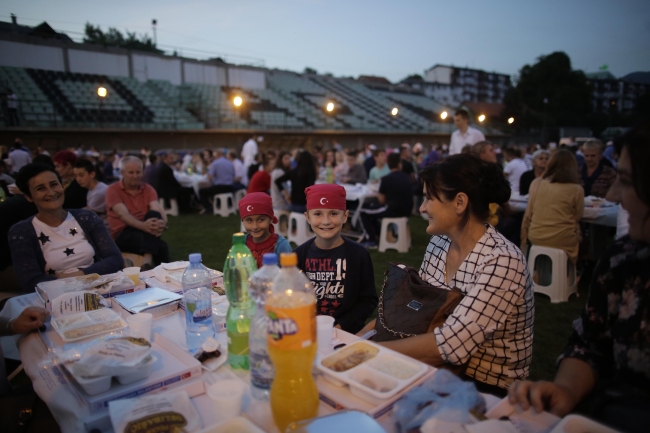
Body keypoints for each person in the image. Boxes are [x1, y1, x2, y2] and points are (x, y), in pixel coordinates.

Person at [509, 126, 650, 433]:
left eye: (625, 182)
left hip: (536, 238)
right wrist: (568, 390)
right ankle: (575, 275)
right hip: (605, 413)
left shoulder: (537, 183)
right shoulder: (622, 259)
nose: (614, 195)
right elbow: (589, 343)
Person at [358, 153, 534, 396]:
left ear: (460, 203)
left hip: (485, 388)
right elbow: (418, 311)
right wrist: (358, 339)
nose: (421, 207)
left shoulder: (502, 260)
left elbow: (452, 345)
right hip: (440, 369)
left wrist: (368, 351)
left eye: (429, 198)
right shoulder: (440, 242)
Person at [8, 163, 123, 290]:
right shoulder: (21, 232)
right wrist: (66, 283)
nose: (51, 192)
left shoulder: (87, 218)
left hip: (98, 289)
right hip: (55, 297)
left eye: (54, 184)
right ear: (29, 197)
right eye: (41, 188)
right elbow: (30, 280)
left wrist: (78, 275)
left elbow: (115, 259)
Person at [294, 184, 378, 334]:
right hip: (305, 330)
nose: (326, 221)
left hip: (344, 332)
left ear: (345, 216)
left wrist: (340, 327)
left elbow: (367, 301)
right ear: (307, 217)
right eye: (318, 214)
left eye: (333, 213)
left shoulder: (359, 255)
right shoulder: (297, 256)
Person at [520, 149, 584, 263]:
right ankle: (573, 273)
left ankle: (541, 273)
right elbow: (577, 216)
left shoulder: (536, 183)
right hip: (563, 238)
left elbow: (528, 212)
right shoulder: (577, 189)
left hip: (535, 235)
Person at [105, 156, 169, 268]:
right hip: (123, 234)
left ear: (142, 172)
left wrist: (162, 223)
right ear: (122, 173)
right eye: (131, 172)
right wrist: (144, 226)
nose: (135, 176)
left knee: (154, 216)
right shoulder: (113, 190)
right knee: (160, 246)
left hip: (145, 229)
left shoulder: (148, 189)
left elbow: (157, 209)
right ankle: (158, 270)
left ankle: (148, 263)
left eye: (138, 172)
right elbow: (123, 215)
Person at [360, 153, 413, 248]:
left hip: (393, 210)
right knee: (372, 209)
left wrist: (377, 194)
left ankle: (371, 240)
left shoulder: (386, 179)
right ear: (399, 164)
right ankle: (379, 233)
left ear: (388, 165)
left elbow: (382, 201)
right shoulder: (407, 177)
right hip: (407, 210)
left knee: (363, 211)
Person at [238, 192, 292, 268]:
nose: (255, 226)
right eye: (249, 220)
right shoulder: (242, 243)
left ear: (270, 219)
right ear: (243, 220)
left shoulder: (281, 246)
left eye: (261, 220)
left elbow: (289, 274)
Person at [73, 159, 109, 228]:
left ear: (92, 174)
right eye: (76, 176)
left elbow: (86, 217)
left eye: (81, 175)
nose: (78, 179)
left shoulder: (99, 193)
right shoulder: (92, 190)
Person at [199, 149, 235, 214]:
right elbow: (233, 175)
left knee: (202, 191)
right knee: (212, 190)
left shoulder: (215, 163)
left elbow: (210, 177)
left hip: (220, 187)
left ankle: (209, 208)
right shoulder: (230, 163)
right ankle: (221, 205)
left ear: (217, 155)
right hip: (230, 187)